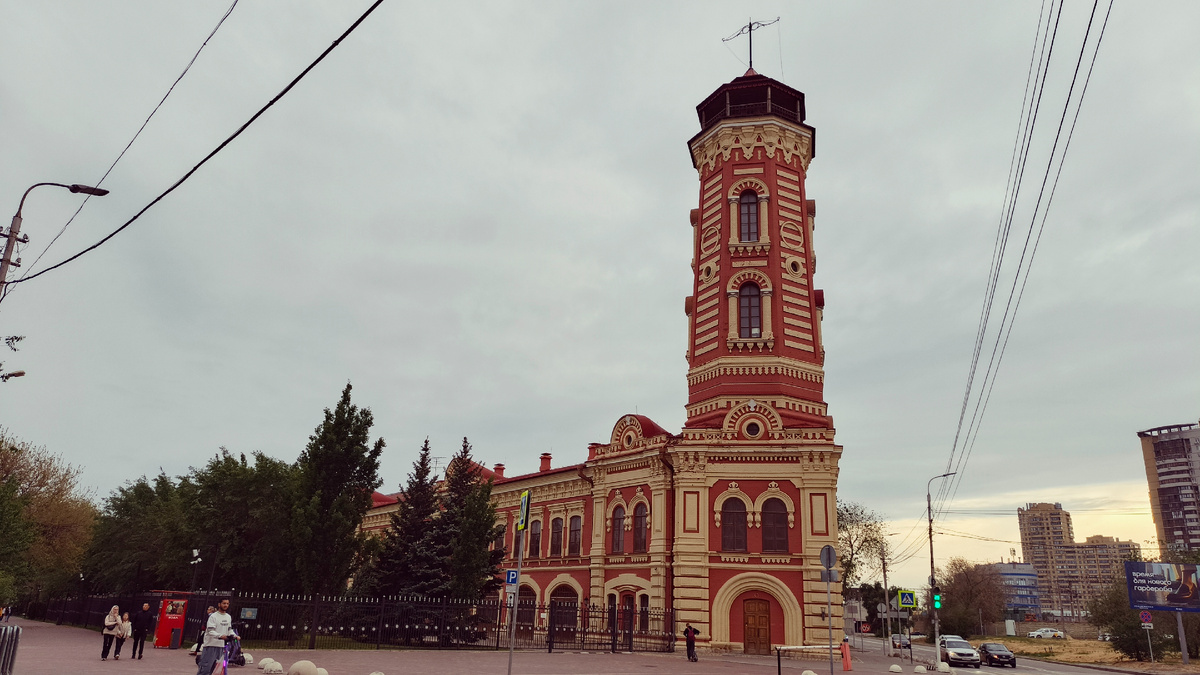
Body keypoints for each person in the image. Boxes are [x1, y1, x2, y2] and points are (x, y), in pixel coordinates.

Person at [196, 598, 234, 675]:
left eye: (227, 603)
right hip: (210, 645)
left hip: (221, 646)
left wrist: (234, 635)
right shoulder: (213, 616)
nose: (226, 605)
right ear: (219, 604)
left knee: (215, 669)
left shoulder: (228, 617)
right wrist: (220, 636)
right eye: (224, 603)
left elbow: (229, 629)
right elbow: (210, 631)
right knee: (205, 669)